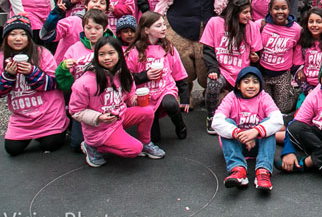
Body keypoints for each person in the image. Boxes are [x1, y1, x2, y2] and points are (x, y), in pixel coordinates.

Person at [70, 36, 165, 167]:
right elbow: (75, 111)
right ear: (96, 56)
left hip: (119, 117)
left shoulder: (123, 74)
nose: (107, 58)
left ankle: (146, 143)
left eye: (111, 53)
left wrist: (136, 100)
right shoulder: (84, 82)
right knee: (134, 150)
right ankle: (92, 146)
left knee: (148, 111)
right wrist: (98, 117)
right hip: (100, 129)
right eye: (102, 54)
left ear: (119, 54)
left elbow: (129, 96)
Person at [1, 15, 68, 156]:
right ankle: (31, 134)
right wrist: (8, 76)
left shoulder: (42, 53)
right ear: (6, 37)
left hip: (48, 114)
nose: (18, 38)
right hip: (22, 117)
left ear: (29, 37)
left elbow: (54, 83)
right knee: (12, 149)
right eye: (13, 34)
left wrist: (32, 72)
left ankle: (63, 123)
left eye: (23, 34)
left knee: (50, 144)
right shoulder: (2, 58)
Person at [212, 66, 281, 191]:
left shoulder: (264, 97)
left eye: (255, 82)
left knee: (268, 124)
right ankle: (238, 170)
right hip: (237, 145)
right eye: (246, 81)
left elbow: (278, 120)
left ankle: (263, 171)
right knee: (227, 122)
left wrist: (256, 132)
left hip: (258, 145)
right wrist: (239, 133)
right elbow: (216, 121)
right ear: (238, 85)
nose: (251, 86)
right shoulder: (231, 97)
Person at [200, 0, 262, 134]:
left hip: (242, 71)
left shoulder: (251, 27)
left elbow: (256, 52)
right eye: (245, 12)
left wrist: (255, 58)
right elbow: (208, 49)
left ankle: (246, 118)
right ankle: (212, 118)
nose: (249, 16)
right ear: (234, 12)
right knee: (213, 83)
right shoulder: (215, 22)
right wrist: (213, 69)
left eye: (249, 12)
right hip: (222, 70)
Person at [125, 12, 189, 142]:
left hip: (165, 89)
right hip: (145, 95)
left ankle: (180, 125)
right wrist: (145, 76)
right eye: (159, 25)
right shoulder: (134, 51)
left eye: (164, 24)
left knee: (170, 104)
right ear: (147, 29)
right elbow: (126, 78)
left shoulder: (168, 47)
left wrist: (185, 98)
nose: (164, 28)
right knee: (154, 138)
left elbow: (180, 74)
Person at [259, 0, 303, 114]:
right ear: (270, 10)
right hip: (264, 73)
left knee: (283, 108)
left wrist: (299, 67)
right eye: (276, 8)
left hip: (282, 74)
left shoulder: (296, 29)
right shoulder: (262, 25)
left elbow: (298, 48)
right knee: (265, 108)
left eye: (283, 8)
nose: (280, 12)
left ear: (289, 11)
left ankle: (295, 92)